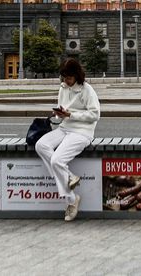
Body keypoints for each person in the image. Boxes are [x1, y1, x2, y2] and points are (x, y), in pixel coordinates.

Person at [35, 58, 101, 222]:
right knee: (41, 145)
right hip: (65, 127)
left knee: (57, 160)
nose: (66, 81)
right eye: (64, 77)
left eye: (69, 78)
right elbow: (61, 110)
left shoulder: (87, 90)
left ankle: (71, 200)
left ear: (77, 75)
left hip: (82, 132)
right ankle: (70, 177)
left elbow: (95, 115)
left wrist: (71, 114)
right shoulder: (63, 88)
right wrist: (59, 113)